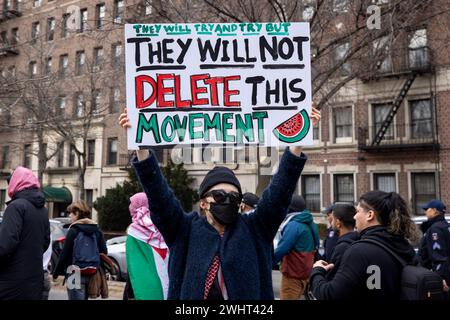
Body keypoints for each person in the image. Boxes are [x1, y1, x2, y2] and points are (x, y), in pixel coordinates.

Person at [119, 107, 320, 300]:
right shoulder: (184, 230)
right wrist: (141, 148)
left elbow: (279, 192)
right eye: (220, 196)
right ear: (203, 203)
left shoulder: (255, 229)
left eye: (234, 197)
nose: (228, 201)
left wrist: (297, 142)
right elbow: (159, 195)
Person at [309, 191, 417, 300]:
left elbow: (330, 295)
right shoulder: (405, 247)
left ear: (370, 215)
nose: (354, 217)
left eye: (358, 211)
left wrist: (317, 270)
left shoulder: (360, 251)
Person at [0, 167, 50, 300]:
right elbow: (45, 243)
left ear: (16, 183)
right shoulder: (43, 211)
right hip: (34, 280)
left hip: (12, 281)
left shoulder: (15, 207)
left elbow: (5, 244)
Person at [53, 200, 107, 300]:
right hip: (92, 272)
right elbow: (104, 252)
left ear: (77, 213)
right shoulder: (97, 230)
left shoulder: (73, 230)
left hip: (74, 272)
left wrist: (56, 272)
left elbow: (64, 254)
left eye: (70, 213)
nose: (69, 216)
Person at [273, 195, 319, 299]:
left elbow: (282, 249)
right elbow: (316, 244)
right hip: (305, 275)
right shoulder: (311, 223)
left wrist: (267, 263)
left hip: (292, 276)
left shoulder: (294, 225)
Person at [125, 192, 169, 300]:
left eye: (132, 204)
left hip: (142, 288)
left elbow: (133, 266)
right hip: (166, 283)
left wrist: (129, 293)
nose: (129, 207)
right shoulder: (162, 228)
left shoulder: (134, 232)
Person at [418, 199, 450, 296]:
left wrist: (441, 278)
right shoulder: (446, 226)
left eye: (427, 209)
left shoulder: (435, 229)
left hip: (441, 279)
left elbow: (438, 255)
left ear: (435, 210)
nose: (425, 211)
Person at [326, 203, 359, 280]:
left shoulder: (342, 248)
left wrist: (318, 271)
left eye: (333, 219)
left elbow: (331, 280)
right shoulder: (359, 240)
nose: (331, 222)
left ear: (338, 223)